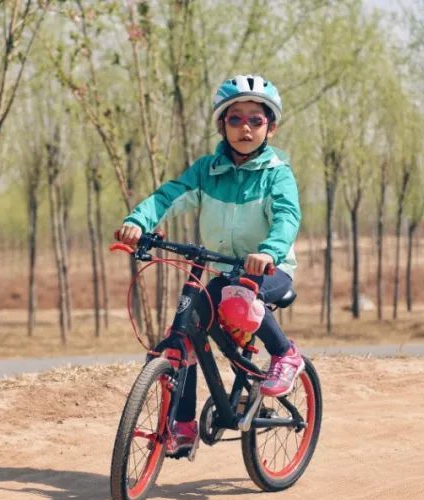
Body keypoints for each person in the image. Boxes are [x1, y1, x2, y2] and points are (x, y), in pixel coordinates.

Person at [114, 74, 304, 454]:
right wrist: (138, 222)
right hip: (222, 268)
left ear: (271, 126)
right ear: (222, 125)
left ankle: (285, 354)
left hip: (271, 269)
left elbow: (287, 217)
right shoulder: (206, 170)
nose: (245, 128)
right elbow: (169, 196)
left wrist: (268, 251)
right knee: (185, 332)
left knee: (237, 300)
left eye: (256, 119)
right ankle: (182, 425)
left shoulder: (276, 174)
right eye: (235, 119)